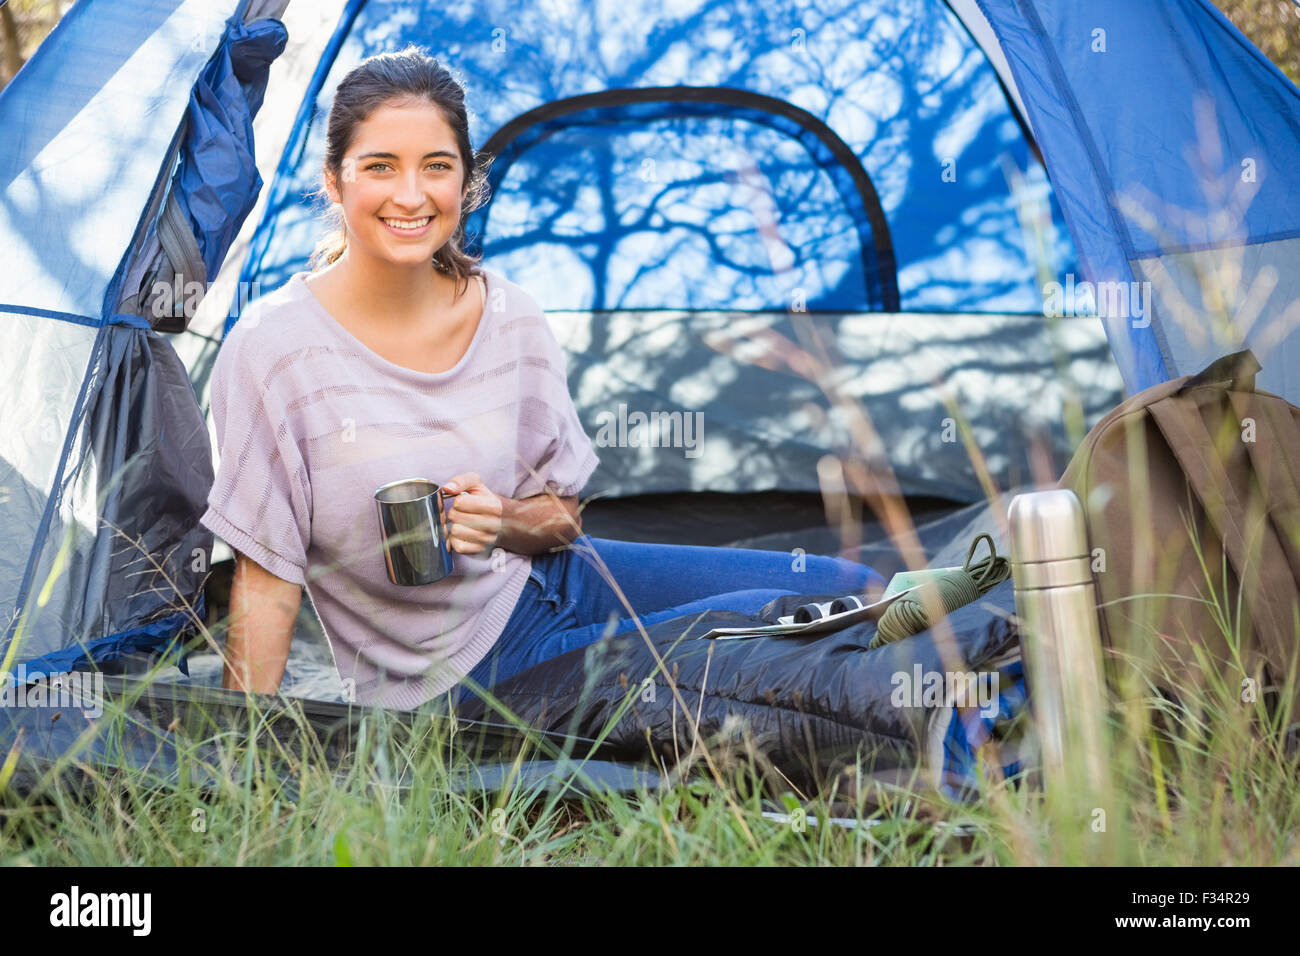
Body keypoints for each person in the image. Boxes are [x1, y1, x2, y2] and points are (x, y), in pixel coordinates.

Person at [201, 46, 883, 711]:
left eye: (436, 167)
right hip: (464, 678)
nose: (411, 196)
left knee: (856, 589)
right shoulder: (274, 348)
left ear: (464, 181)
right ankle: (935, 742)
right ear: (334, 180)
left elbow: (561, 519)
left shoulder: (509, 316)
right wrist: (233, 771)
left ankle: (957, 695)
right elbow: (266, 579)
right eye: (381, 166)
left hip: (555, 578)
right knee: (773, 631)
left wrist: (501, 520)